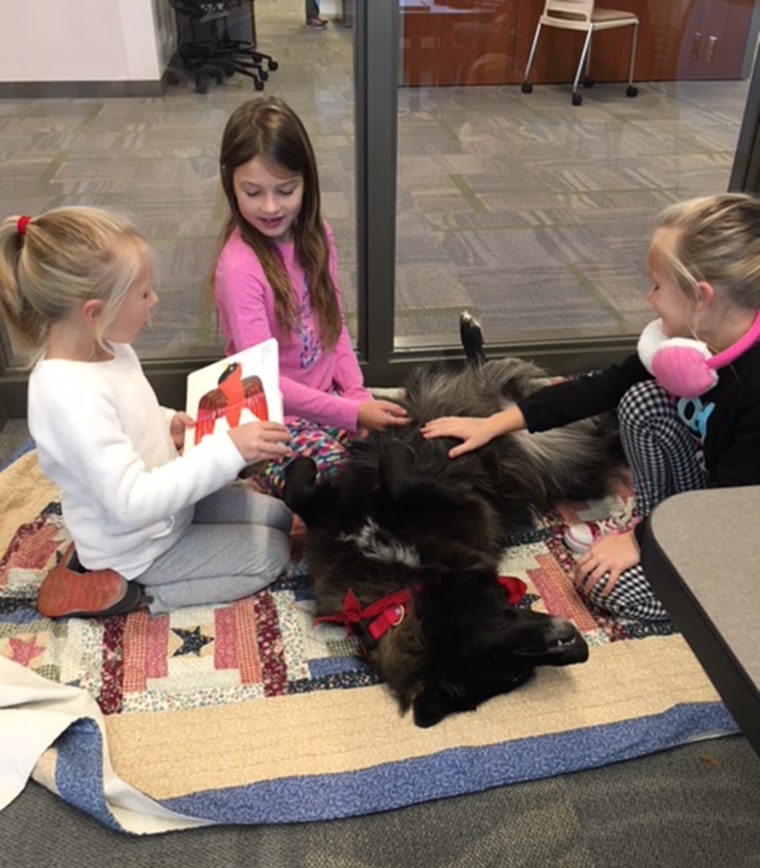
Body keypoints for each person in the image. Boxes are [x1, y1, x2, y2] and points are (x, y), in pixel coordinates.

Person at [422, 193, 760, 622]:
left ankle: (704, 587)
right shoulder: (682, 347)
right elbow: (602, 388)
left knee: (604, 586)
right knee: (639, 399)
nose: (648, 298)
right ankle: (655, 528)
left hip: (740, 518)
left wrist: (640, 544)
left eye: (657, 286)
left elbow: (729, 507)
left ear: (701, 296)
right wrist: (497, 422)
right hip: (707, 488)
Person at [0, 206, 294, 617]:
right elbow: (133, 501)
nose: (154, 301)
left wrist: (168, 421)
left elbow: (136, 407)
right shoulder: (67, 397)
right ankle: (133, 594)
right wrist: (228, 450)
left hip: (169, 511)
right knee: (272, 554)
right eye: (144, 294)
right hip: (137, 544)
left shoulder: (108, 344)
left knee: (280, 518)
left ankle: (99, 565)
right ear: (94, 311)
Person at [213, 97, 407, 495]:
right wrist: (353, 413)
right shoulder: (238, 268)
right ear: (230, 184)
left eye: (285, 190)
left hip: (327, 399)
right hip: (267, 411)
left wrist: (357, 397)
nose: (269, 207)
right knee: (342, 486)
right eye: (253, 192)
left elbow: (334, 329)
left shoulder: (317, 235)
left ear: (307, 182)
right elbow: (262, 383)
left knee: (399, 458)